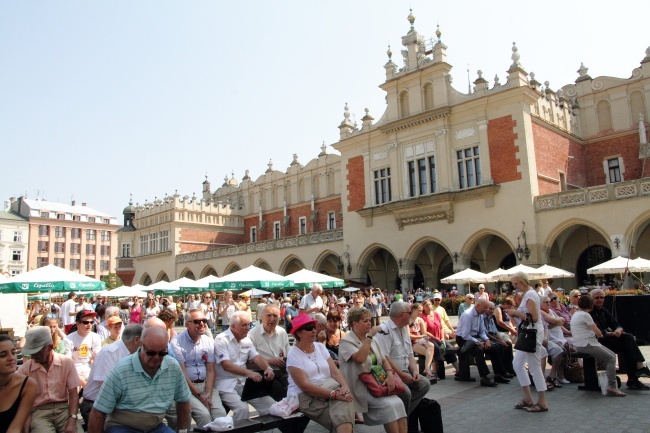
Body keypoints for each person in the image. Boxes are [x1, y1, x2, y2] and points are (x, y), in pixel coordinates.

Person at [88, 327, 191, 433]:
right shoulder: (122, 370)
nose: (156, 357)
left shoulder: (172, 366)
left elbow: (183, 400)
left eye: (162, 353)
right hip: (122, 426)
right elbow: (98, 411)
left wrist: (182, 430)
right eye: (151, 353)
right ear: (141, 345)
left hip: (155, 426)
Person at [339, 307, 407, 432]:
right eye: (365, 321)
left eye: (370, 320)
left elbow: (384, 360)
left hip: (378, 383)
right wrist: (369, 337)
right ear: (355, 324)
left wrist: (390, 375)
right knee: (390, 406)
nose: (370, 323)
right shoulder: (346, 342)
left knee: (399, 403)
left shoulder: (373, 340)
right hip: (361, 388)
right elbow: (360, 358)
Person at [286, 314, 355, 433]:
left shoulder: (320, 347)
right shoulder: (293, 354)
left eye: (314, 327)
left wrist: (345, 387)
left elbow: (335, 372)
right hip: (306, 397)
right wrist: (334, 394)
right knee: (343, 419)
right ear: (299, 333)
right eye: (309, 328)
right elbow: (304, 386)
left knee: (345, 403)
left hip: (329, 389)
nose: (314, 330)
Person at [17, 326, 83, 433]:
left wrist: (72, 418)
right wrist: (26, 422)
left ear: (50, 347)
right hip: (39, 412)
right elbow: (22, 400)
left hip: (63, 410)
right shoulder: (24, 369)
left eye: (36, 352)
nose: (33, 357)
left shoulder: (66, 362)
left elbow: (73, 393)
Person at [213, 311, 276, 421]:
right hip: (227, 384)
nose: (248, 328)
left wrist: (267, 368)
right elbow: (226, 365)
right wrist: (249, 373)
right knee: (242, 409)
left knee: (271, 405)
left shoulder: (246, 339)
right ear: (233, 326)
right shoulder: (221, 340)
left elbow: (256, 357)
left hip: (244, 383)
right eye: (244, 325)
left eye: (249, 324)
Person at [171, 309, 226, 430]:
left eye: (204, 320)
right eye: (197, 321)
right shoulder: (176, 342)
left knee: (220, 415)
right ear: (187, 325)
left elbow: (211, 369)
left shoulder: (208, 341)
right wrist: (200, 395)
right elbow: (182, 374)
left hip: (206, 385)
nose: (202, 324)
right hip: (187, 388)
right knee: (204, 415)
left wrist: (208, 393)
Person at [79, 324, 144, 427]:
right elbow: (104, 387)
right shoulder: (109, 352)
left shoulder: (134, 355)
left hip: (117, 404)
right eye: (144, 340)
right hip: (96, 405)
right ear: (136, 339)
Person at [375, 301, 431, 417]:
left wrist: (415, 370)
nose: (411, 315)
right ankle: (401, 419)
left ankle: (402, 416)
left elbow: (410, 353)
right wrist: (401, 375)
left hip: (405, 370)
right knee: (405, 393)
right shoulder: (384, 330)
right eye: (409, 312)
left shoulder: (404, 329)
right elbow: (385, 358)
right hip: (390, 373)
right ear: (401, 315)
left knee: (424, 384)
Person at [589, 288, 650, 390]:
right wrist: (612, 333)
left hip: (608, 339)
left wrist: (618, 330)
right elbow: (598, 332)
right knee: (628, 343)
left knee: (628, 340)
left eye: (602, 298)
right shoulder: (590, 313)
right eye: (597, 298)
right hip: (597, 341)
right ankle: (636, 374)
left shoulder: (603, 311)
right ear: (592, 299)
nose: (599, 300)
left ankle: (634, 378)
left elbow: (617, 325)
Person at [509, 272, 549, 413]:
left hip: (532, 334)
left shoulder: (530, 294)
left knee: (534, 367)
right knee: (518, 364)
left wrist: (515, 313)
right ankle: (527, 398)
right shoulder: (528, 294)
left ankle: (542, 401)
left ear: (523, 281)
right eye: (513, 284)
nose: (515, 286)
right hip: (528, 334)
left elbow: (535, 318)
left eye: (516, 283)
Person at [571, 295, 626, 396]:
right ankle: (612, 386)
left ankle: (611, 385)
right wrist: (603, 333)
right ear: (591, 304)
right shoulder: (586, 315)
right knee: (611, 359)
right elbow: (599, 333)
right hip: (587, 344)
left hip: (580, 344)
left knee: (612, 355)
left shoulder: (576, 314)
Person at [248, 304, 290, 401]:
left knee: (295, 391)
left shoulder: (282, 332)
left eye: (275, 316)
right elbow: (248, 364)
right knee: (282, 395)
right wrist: (270, 361)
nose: (272, 319)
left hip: (282, 371)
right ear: (261, 317)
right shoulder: (252, 335)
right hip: (263, 374)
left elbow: (289, 353)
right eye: (269, 315)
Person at [455, 298, 501, 386]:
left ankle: (499, 373)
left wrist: (486, 340)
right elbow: (465, 335)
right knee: (479, 350)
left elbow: (482, 331)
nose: (486, 311)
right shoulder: (467, 315)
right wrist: (478, 342)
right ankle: (484, 377)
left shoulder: (480, 314)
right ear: (478, 306)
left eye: (487, 308)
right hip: (463, 339)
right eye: (485, 308)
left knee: (495, 347)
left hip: (475, 337)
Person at [0, 335, 37, 433]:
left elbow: (15, 428)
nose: (11, 358)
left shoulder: (28, 385)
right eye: (3, 355)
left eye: (13, 353)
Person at [64, 310, 103, 387]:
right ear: (77, 323)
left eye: (91, 322)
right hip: (74, 374)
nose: (89, 325)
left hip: (90, 374)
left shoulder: (96, 337)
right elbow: (68, 364)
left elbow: (97, 360)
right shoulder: (68, 339)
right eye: (85, 322)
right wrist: (83, 383)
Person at [409, 303, 437, 379]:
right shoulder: (408, 320)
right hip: (412, 342)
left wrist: (424, 337)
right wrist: (421, 336)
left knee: (431, 345)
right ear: (413, 310)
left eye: (421, 311)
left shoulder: (420, 320)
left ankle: (427, 368)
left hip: (420, 340)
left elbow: (424, 333)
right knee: (427, 352)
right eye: (419, 311)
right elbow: (409, 336)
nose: (421, 313)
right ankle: (428, 371)